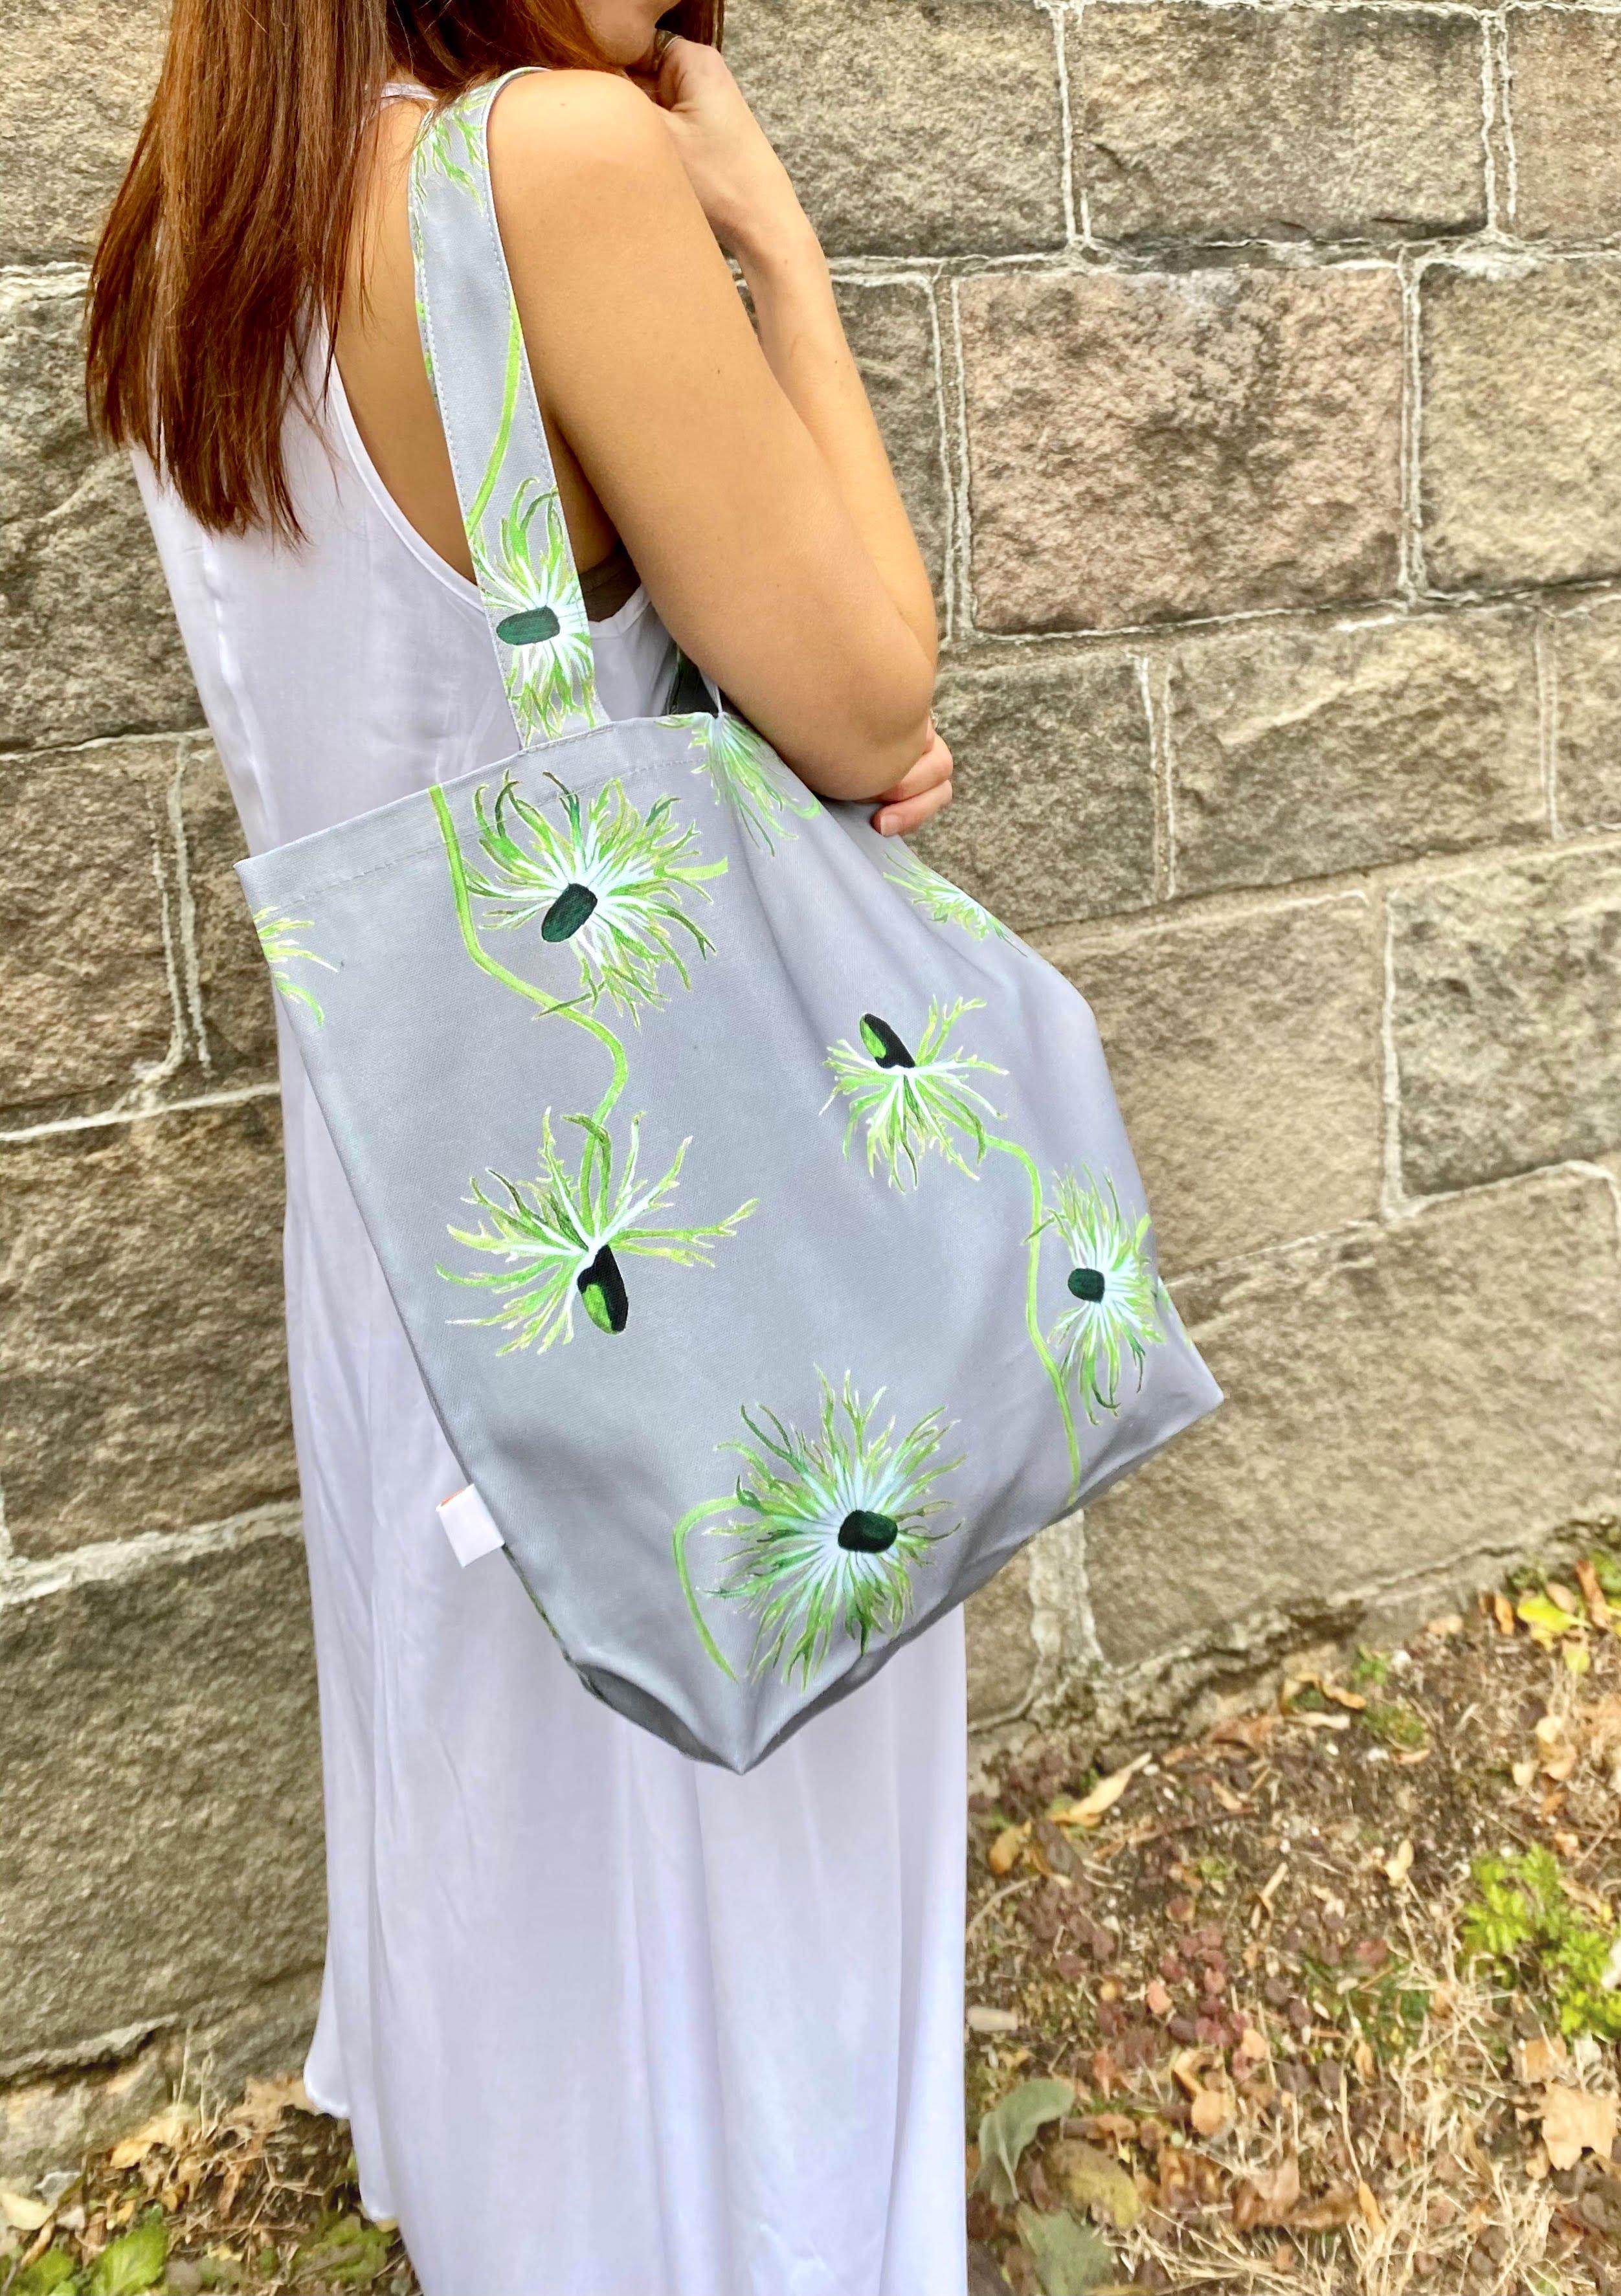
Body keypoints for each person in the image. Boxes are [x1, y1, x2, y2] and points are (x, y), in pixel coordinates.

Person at [88, 5, 968, 2291]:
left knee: (499, 1804)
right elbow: (878, 686)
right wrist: (770, 234)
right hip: (654, 1218)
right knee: (719, 1831)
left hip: (402, 1204)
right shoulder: (556, 174)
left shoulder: (204, 219)